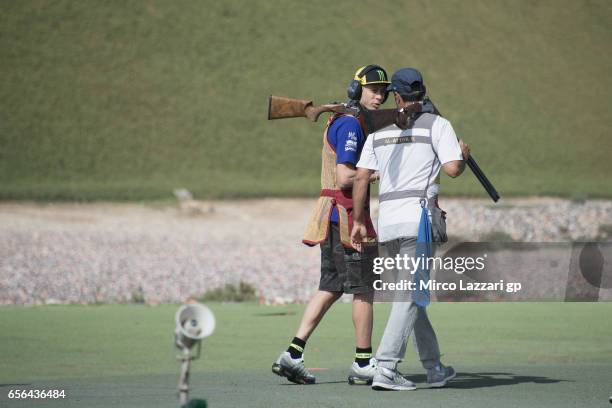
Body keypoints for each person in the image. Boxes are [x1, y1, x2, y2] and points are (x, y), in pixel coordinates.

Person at [350, 68, 471, 391]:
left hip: (388, 224)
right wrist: (462, 154)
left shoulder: (378, 130)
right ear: (424, 93)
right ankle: (386, 368)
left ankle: (434, 368)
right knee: (408, 297)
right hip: (419, 223)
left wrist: (360, 222)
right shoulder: (438, 125)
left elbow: (361, 178)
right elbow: (453, 169)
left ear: (397, 96)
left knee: (413, 297)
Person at [272, 65, 389, 385]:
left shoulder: (345, 118)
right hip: (349, 217)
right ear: (357, 90)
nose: (379, 96)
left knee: (331, 287)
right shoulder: (351, 124)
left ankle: (292, 354)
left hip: (332, 216)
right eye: (373, 89)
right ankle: (364, 362)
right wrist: (380, 173)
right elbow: (346, 176)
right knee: (364, 290)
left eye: (383, 91)